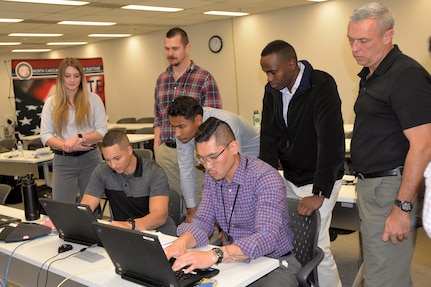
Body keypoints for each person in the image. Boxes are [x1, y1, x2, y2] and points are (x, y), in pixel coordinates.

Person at [347, 3, 431, 286]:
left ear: (388, 36)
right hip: (374, 189)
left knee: (383, 278)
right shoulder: (372, 74)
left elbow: (423, 145)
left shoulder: (405, 75)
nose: (355, 48)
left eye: (363, 41)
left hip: (390, 191)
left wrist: (402, 207)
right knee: (386, 274)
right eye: (351, 40)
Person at [164, 118, 300, 286]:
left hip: (274, 263)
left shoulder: (265, 178)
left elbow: (266, 237)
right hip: (232, 258)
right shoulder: (212, 177)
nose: (208, 166)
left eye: (213, 157)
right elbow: (203, 222)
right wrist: (181, 242)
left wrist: (216, 254)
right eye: (202, 159)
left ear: (233, 147)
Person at [259, 40, 345, 287]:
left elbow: (331, 140)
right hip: (291, 177)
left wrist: (320, 192)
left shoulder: (321, 84)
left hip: (321, 178)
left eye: (273, 71)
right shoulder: (272, 91)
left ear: (291, 64)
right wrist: (265, 179)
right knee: (287, 241)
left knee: (316, 246)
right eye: (265, 72)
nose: (269, 77)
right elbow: (268, 137)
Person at [153, 27, 222, 203]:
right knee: (172, 205)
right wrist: (157, 149)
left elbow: (213, 122)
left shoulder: (203, 78)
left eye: (175, 48)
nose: (170, 53)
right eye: (167, 48)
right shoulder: (161, 80)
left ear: (187, 48)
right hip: (167, 153)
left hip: (194, 153)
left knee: (200, 204)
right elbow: (158, 117)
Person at [167, 96, 259, 222]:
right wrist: (191, 210)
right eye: (173, 127)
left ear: (198, 120)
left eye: (181, 126)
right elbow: (185, 169)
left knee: (246, 208)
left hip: (256, 155)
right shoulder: (183, 134)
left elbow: (234, 168)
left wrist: (229, 220)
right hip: (234, 159)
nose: (177, 133)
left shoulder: (224, 123)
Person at [80, 130, 177, 236]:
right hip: (123, 232)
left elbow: (159, 216)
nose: (113, 165)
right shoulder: (102, 171)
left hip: (158, 233)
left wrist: (130, 225)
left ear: (129, 150)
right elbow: (85, 209)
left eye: (117, 158)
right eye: (107, 160)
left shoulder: (154, 172)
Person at [40, 57, 107, 202]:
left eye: (76, 76)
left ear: (81, 77)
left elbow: (102, 131)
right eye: (67, 76)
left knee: (90, 208)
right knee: (62, 206)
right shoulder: (51, 103)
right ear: (61, 78)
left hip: (90, 159)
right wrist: (66, 145)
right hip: (63, 161)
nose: (72, 80)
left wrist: (78, 138)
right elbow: (45, 135)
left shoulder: (93, 100)